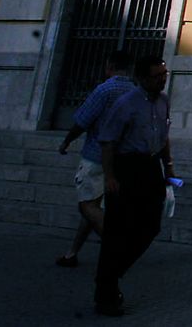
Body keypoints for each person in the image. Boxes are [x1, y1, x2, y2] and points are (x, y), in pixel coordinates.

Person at [92, 56, 173, 317]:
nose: (162, 79)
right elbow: (107, 142)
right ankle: (106, 293)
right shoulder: (125, 104)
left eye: (164, 74)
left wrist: (169, 167)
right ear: (142, 78)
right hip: (126, 168)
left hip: (150, 168)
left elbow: (164, 136)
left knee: (151, 226)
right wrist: (110, 177)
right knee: (117, 231)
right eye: (157, 75)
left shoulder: (163, 102)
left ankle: (112, 273)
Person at [55, 48, 135, 267]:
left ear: (109, 66)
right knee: (95, 207)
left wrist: (67, 141)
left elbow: (83, 120)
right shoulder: (137, 93)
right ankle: (72, 254)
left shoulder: (105, 90)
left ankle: (116, 246)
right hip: (124, 159)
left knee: (86, 206)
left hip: (96, 156)